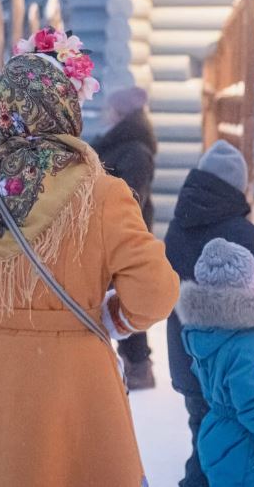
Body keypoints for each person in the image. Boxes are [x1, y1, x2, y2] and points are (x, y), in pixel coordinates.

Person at [0, 31, 180, 487]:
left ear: (3, 112)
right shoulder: (103, 193)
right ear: (65, 110)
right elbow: (155, 292)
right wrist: (113, 316)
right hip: (74, 384)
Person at [165, 139, 254, 487]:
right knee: (231, 455)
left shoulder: (177, 227)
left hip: (188, 355)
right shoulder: (245, 234)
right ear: (238, 185)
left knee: (202, 439)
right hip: (237, 368)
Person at [177, 238, 254, 486]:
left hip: (215, 432)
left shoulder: (206, 331)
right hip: (245, 442)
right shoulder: (249, 342)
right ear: (249, 287)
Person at [92, 84, 159, 390]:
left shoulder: (135, 150)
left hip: (123, 234)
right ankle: (133, 365)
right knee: (116, 296)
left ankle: (138, 367)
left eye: (110, 108)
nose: (106, 113)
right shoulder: (120, 143)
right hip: (110, 231)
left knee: (123, 297)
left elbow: (132, 196)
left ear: (120, 112)